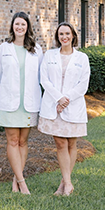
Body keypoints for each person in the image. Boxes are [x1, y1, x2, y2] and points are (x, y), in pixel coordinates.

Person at [38, 22, 90, 196]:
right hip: (54, 104)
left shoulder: (82, 58)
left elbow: (83, 84)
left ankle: (64, 183)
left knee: (72, 143)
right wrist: (59, 98)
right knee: (60, 143)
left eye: (67, 34)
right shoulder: (49, 55)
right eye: (61, 34)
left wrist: (66, 99)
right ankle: (68, 183)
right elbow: (44, 79)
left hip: (73, 105)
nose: (64, 37)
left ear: (73, 36)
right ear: (57, 37)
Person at [0, 12, 43, 195]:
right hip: (9, 102)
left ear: (27, 27)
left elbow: (40, 76)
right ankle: (22, 182)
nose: (19, 27)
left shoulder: (36, 49)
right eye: (17, 24)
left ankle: (16, 180)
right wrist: (10, 90)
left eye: (23, 24)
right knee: (13, 141)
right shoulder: (3, 49)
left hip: (29, 102)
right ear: (12, 27)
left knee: (23, 141)